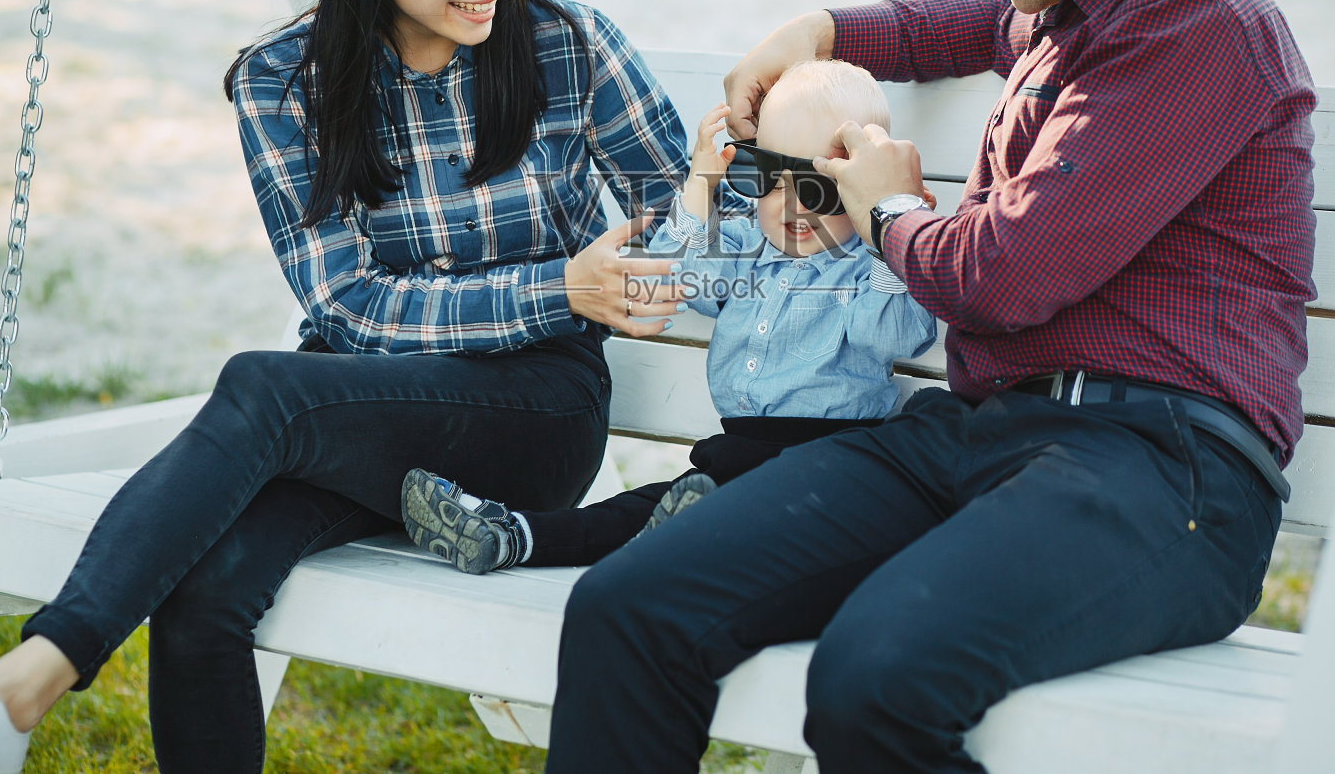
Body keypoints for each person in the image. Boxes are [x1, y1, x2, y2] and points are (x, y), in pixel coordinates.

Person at [541, 0, 1315, 771]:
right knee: (631, 604)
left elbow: (1004, 274)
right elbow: (957, 26)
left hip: (1163, 472)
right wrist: (819, 30)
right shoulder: (1074, 11)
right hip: (988, 435)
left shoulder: (1199, 24)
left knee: (876, 675)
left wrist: (882, 207)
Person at [0, 0, 692, 774]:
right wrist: (558, 284)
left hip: (533, 416)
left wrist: (655, 254)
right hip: (361, 413)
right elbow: (349, 306)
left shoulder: (567, 46)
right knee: (207, 592)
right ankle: (12, 700)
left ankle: (17, 691)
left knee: (263, 386)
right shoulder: (285, 79)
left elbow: (688, 207)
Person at [401, 60, 937, 573]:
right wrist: (700, 186)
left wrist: (885, 225)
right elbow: (670, 275)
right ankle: (512, 535)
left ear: (858, 188)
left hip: (828, 464)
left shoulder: (866, 268)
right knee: (640, 510)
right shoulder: (744, 248)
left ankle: (670, 542)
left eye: (819, 187)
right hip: (738, 454)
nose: (792, 205)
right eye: (766, 177)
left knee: (725, 514)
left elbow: (890, 334)